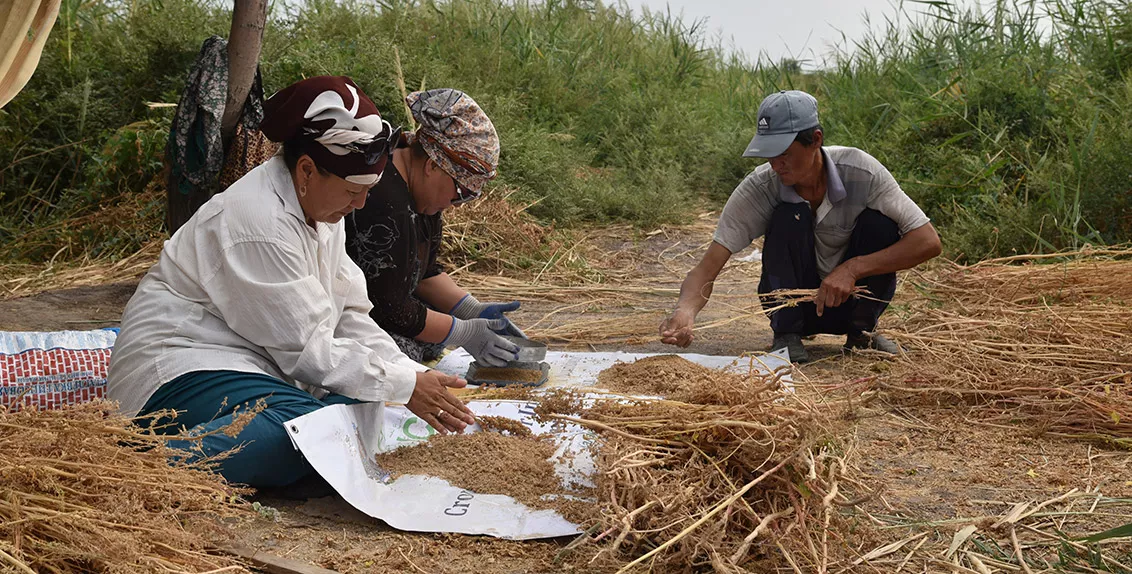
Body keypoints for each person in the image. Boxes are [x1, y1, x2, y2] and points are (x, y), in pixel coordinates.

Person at [107, 76, 475, 489]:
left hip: (257, 364)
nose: (361, 204)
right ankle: (135, 472)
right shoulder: (259, 222)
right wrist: (406, 383)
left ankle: (272, 450)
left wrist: (405, 373)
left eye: (367, 190)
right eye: (355, 190)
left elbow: (349, 313)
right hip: (184, 366)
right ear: (306, 170)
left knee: (352, 413)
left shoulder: (320, 208)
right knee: (316, 433)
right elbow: (311, 351)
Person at [659, 90, 942, 363]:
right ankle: (787, 334)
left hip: (852, 302)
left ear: (815, 139)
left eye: (783, 153)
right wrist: (685, 312)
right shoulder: (760, 188)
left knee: (880, 224)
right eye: (768, 154)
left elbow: (928, 241)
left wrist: (853, 268)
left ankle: (862, 333)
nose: (775, 165)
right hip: (795, 308)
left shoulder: (862, 173)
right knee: (787, 216)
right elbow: (707, 268)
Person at [345, 88, 523, 367]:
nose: (459, 203)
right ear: (432, 166)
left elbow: (424, 274)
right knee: (400, 354)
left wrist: (471, 310)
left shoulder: (422, 195)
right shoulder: (382, 200)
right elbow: (390, 308)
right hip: (353, 317)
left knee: (434, 334)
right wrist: (464, 333)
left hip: (390, 306)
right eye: (462, 191)